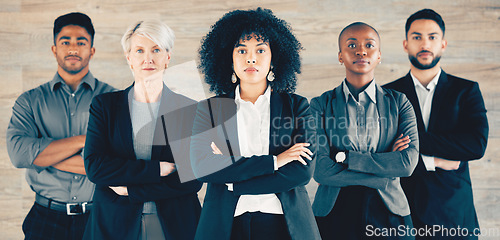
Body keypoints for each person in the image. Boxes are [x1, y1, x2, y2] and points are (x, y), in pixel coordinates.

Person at [191, 8, 320, 240]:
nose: (251, 58)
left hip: (285, 225)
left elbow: (302, 172)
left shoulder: (297, 106)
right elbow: (201, 168)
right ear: (229, 59)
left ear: (274, 59)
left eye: (261, 50)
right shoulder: (208, 109)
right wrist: (276, 161)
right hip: (225, 225)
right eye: (242, 50)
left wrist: (233, 180)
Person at [83, 20, 202, 240]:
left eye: (156, 50)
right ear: (129, 58)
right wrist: (157, 169)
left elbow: (193, 179)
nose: (148, 58)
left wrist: (132, 190)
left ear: (167, 57)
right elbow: (95, 168)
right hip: (115, 224)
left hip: (175, 226)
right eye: (139, 50)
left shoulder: (188, 108)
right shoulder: (105, 106)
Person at [6, 12, 115, 240]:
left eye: (81, 42)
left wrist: (43, 157)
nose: (73, 48)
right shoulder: (30, 101)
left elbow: (116, 165)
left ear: (92, 51)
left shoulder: (113, 99)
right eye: (65, 42)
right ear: (54, 49)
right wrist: (86, 141)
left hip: (100, 216)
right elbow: (18, 154)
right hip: (45, 218)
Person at [383, 9, 488, 239]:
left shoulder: (466, 91)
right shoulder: (387, 95)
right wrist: (436, 161)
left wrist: (412, 145)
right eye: (417, 37)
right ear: (405, 44)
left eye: (432, 37)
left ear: (443, 44)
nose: (424, 43)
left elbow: (476, 146)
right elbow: (382, 155)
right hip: (401, 214)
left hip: (454, 217)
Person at [311, 22, 419, 239]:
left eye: (369, 45)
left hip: (390, 214)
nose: (361, 50)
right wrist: (384, 171)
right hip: (334, 213)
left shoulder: (399, 103)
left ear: (379, 55)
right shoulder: (320, 104)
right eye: (352, 45)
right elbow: (320, 170)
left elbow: (406, 164)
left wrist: (344, 158)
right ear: (340, 56)